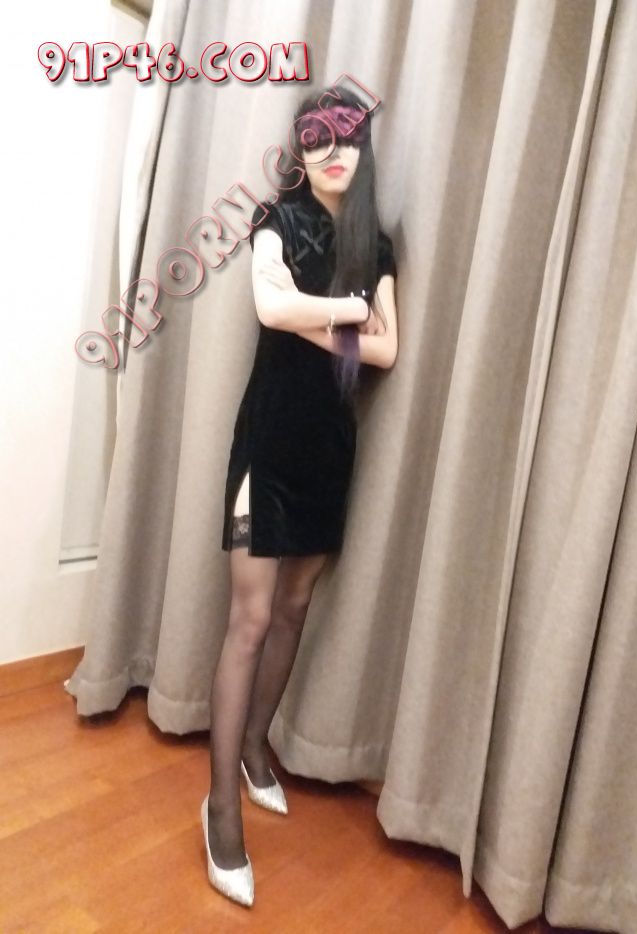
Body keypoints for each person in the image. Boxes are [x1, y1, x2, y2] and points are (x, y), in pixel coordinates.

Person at [201, 86, 399, 907]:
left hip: (328, 450)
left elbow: (387, 351)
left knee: (294, 609)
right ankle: (220, 809)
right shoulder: (276, 218)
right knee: (250, 620)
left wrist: (313, 317)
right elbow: (266, 304)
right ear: (301, 149)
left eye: (347, 136)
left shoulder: (375, 242)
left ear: (363, 147)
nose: (333, 150)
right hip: (269, 442)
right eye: (317, 137)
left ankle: (257, 749)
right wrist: (350, 312)